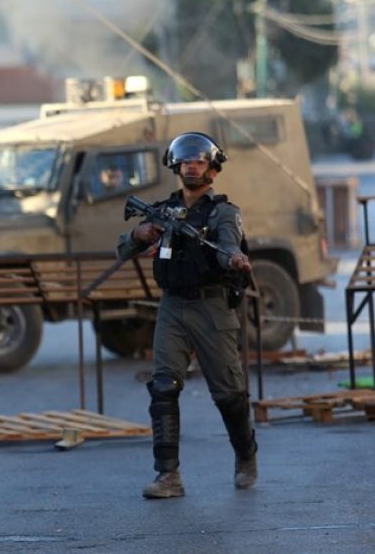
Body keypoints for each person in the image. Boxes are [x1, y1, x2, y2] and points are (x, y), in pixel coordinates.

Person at [116, 132, 257, 499]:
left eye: (199, 161)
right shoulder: (162, 211)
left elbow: (227, 244)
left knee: (229, 393)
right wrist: (139, 232)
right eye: (186, 161)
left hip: (211, 308)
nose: (191, 167)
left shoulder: (224, 211)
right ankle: (168, 476)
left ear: (212, 168)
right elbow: (123, 249)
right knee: (163, 388)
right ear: (175, 166)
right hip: (172, 307)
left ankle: (246, 457)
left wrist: (234, 258)